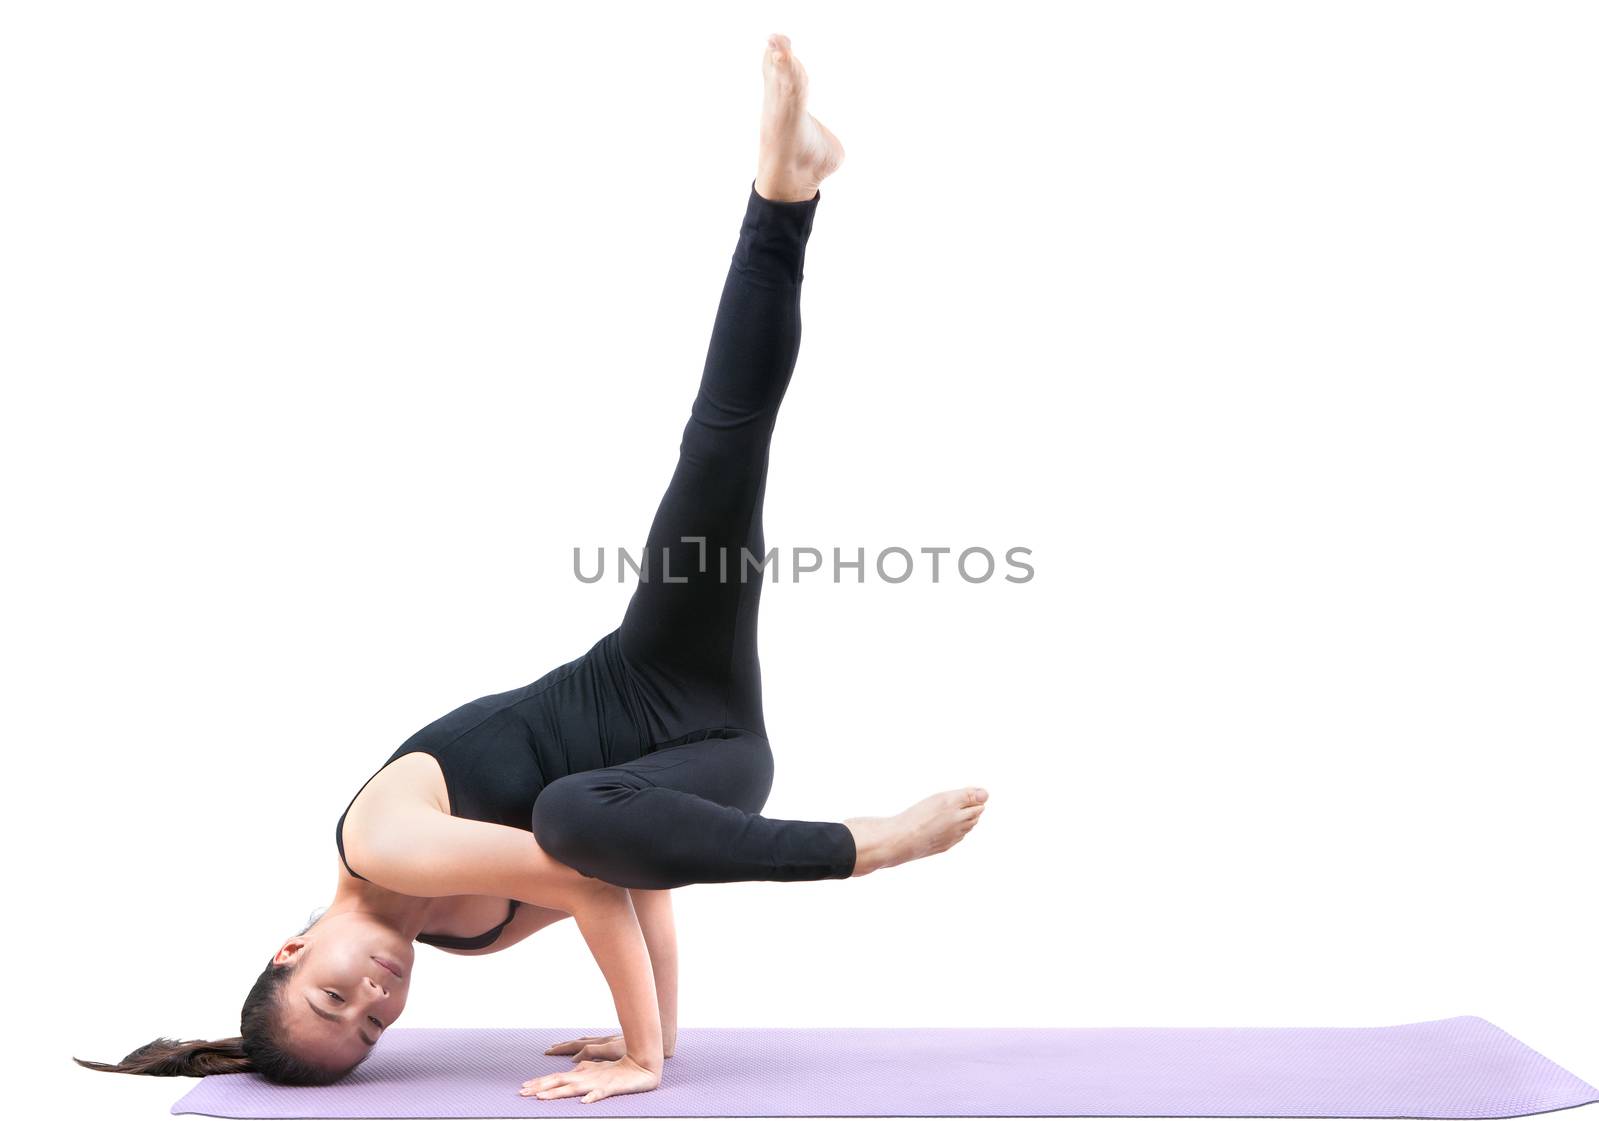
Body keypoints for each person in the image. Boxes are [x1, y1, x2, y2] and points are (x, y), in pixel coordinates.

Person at [74, 33, 988, 1103]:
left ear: (288, 947)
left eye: (333, 998)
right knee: (583, 816)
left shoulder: (381, 841)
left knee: (723, 441)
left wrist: (640, 1051)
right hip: (718, 760)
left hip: (661, 668)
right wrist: (663, 1035)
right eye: (370, 1030)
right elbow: (636, 876)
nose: (372, 999)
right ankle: (787, 187)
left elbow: (591, 874)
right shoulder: (472, 935)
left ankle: (786, 191)